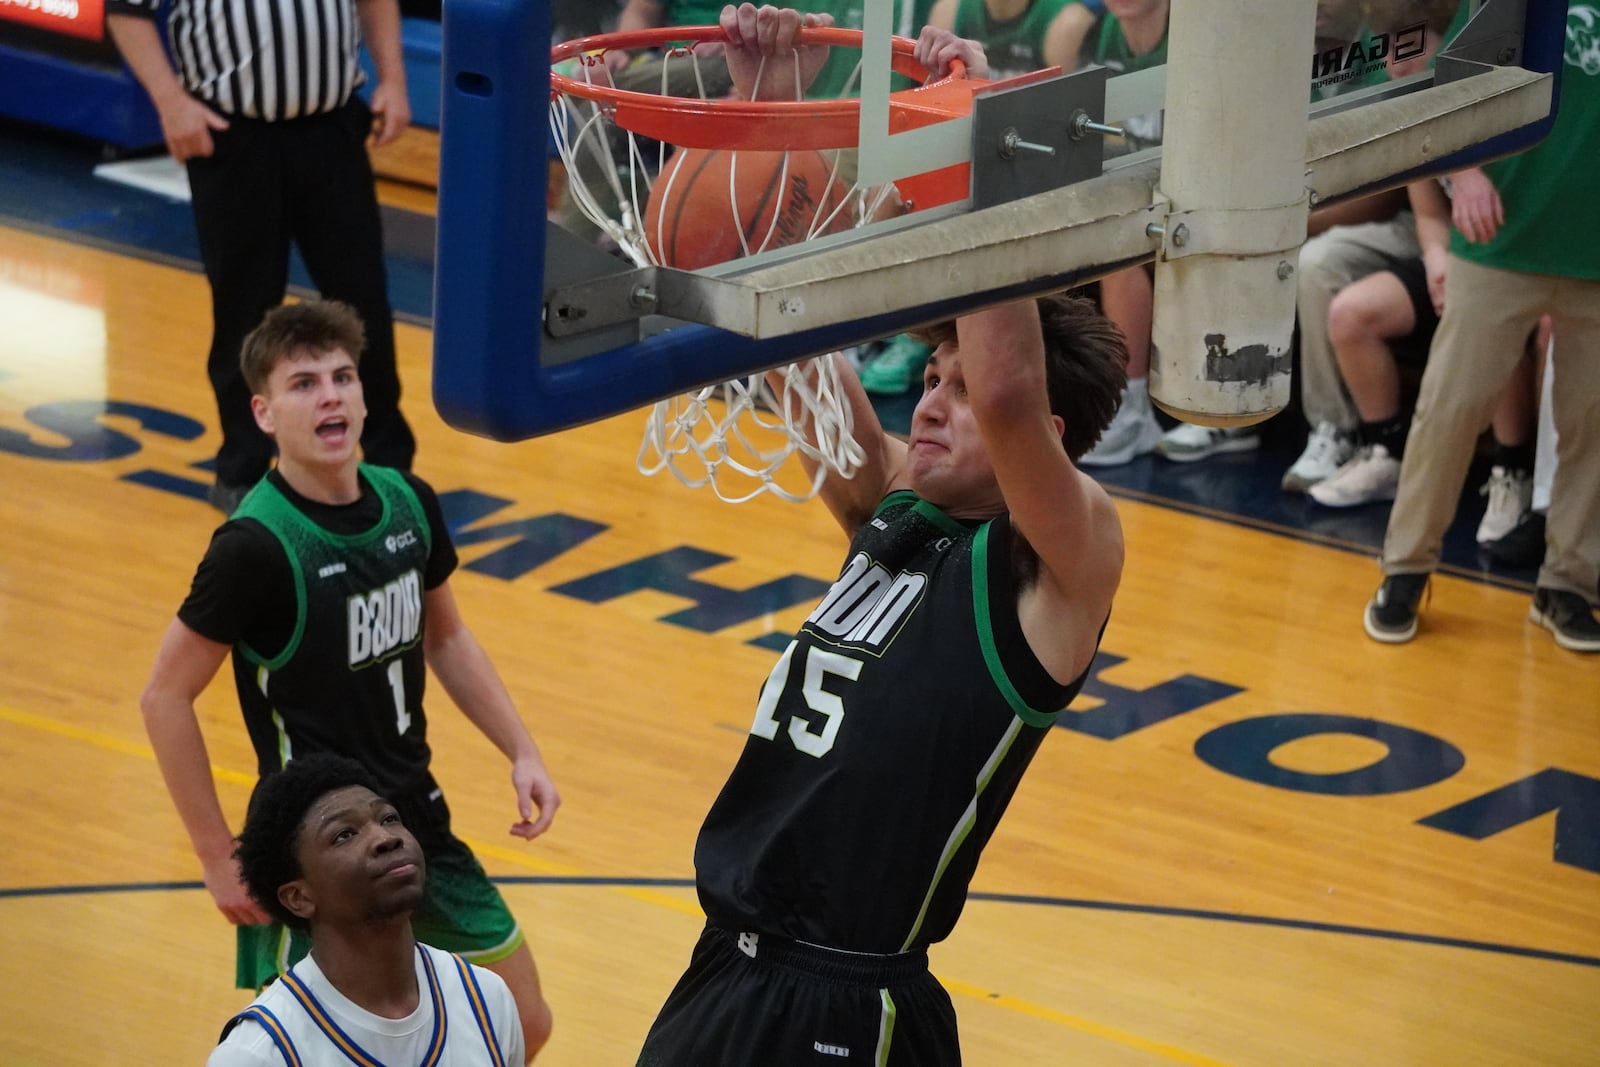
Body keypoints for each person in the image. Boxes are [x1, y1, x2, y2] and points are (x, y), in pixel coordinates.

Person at [635, 13, 1125, 1063]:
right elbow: (772, 293)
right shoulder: (892, 509)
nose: (936, 403)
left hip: (845, 1005)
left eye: (958, 391)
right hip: (724, 965)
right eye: (930, 380)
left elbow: (1006, 380)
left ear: (1041, 439)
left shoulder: (1062, 564)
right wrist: (768, 95)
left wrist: (981, 126)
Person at [140, 300, 560, 1058]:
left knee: (523, 1020)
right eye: (304, 384)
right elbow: (163, 696)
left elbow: (449, 637)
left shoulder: (409, 503)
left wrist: (521, 749)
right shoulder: (253, 548)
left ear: (366, 394)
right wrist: (213, 853)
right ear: (263, 413)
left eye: (342, 376)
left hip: (414, 819)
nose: (330, 394)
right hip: (318, 846)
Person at [105, 0, 417, 516]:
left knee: (364, 307)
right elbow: (125, 8)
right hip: (233, 141)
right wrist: (169, 100)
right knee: (242, 314)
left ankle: (390, 466)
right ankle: (242, 470)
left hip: (332, 133)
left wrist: (394, 78)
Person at [1364, 0, 1600, 652]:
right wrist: (1461, 172)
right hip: (1500, 238)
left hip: (1594, 250)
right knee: (1450, 408)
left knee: (1592, 424)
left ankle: (1569, 585)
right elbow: (1444, 82)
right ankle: (1405, 568)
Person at [210, 753, 525, 1066]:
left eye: (388, 818)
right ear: (298, 897)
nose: (385, 838)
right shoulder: (258, 1054)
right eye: (344, 835)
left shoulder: (485, 999)